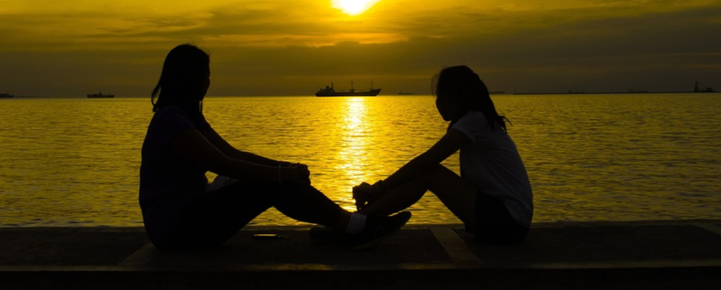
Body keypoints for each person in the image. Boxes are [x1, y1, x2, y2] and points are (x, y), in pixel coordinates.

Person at [139, 43, 409, 250]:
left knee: (273, 177)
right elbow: (224, 164)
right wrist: (281, 175)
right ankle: (353, 227)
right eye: (204, 76)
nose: (208, 82)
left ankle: (346, 224)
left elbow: (233, 154)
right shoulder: (171, 121)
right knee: (269, 183)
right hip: (175, 230)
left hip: (188, 217)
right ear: (190, 79)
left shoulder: (189, 118)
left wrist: (284, 167)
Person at [350, 65, 533, 244]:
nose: (437, 102)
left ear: (447, 98)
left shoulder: (474, 120)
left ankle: (359, 222)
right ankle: (363, 219)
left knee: (431, 173)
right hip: (506, 221)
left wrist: (378, 189)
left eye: (438, 96)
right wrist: (380, 191)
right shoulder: (478, 120)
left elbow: (426, 162)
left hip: (509, 222)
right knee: (427, 172)